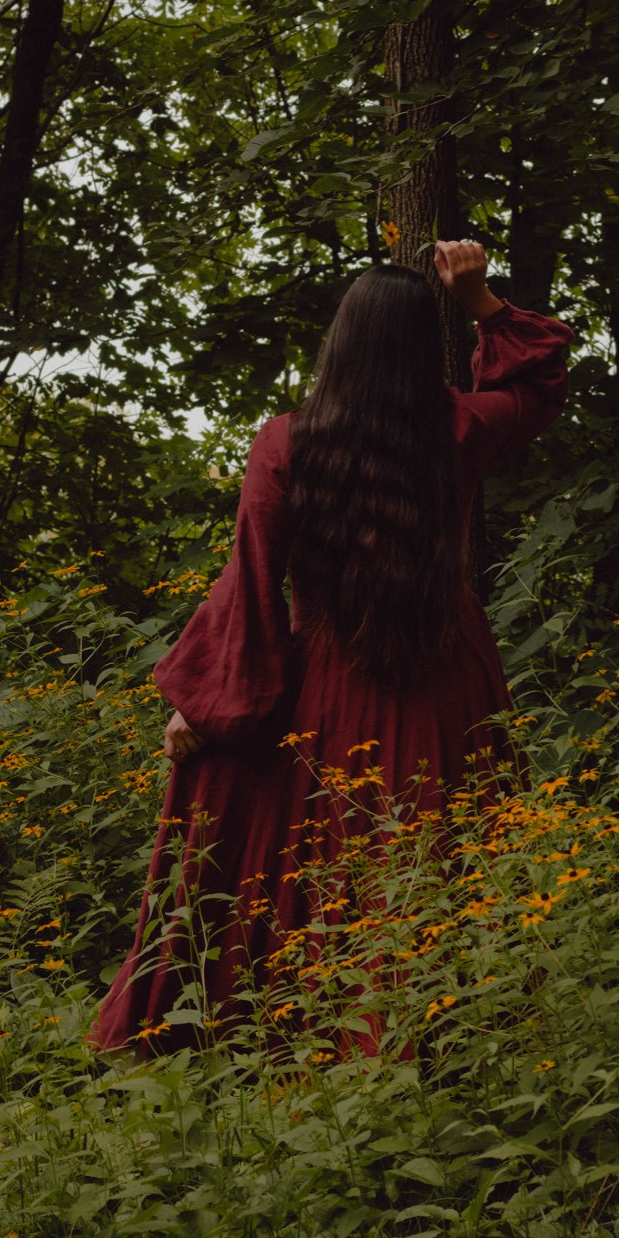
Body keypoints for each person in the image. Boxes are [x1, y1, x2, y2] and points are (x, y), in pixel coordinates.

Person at [87, 240, 574, 1053]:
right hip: (449, 679)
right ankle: (455, 1037)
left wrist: (209, 704)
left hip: (331, 679)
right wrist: (481, 297)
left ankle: (310, 1032)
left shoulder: (286, 443)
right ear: (426, 344)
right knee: (438, 846)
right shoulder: (461, 427)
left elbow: (252, 580)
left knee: (326, 848)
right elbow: (542, 377)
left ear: (339, 344)